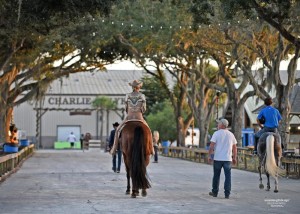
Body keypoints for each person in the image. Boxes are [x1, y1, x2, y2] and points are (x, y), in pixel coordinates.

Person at [110, 79, 150, 155]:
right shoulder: (142, 96)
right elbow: (144, 109)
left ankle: (114, 148)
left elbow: (126, 108)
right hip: (139, 117)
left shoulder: (127, 95)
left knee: (118, 130)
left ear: (132, 87)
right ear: (139, 87)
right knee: (149, 131)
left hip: (129, 117)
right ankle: (152, 149)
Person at [208, 118, 237, 199]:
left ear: (221, 125)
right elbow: (235, 147)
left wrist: (209, 156)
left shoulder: (216, 134)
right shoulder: (231, 134)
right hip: (228, 159)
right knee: (228, 176)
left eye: (218, 124)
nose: (217, 125)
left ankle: (215, 192)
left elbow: (211, 146)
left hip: (218, 159)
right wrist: (234, 157)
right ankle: (227, 194)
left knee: (216, 176)